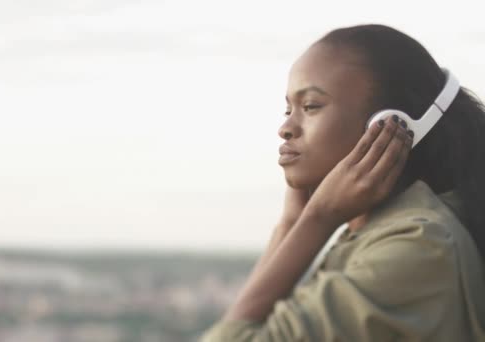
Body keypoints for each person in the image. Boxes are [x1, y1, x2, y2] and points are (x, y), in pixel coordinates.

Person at [200, 24, 485, 341]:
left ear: (388, 125)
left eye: (310, 106)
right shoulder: (376, 229)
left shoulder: (418, 247)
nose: (286, 127)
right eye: (288, 108)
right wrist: (290, 223)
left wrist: (316, 220)